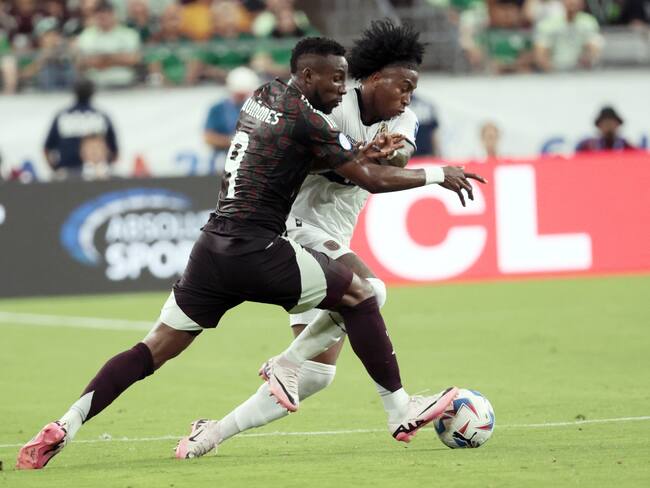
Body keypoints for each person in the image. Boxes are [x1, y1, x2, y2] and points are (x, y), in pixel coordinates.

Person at [17, 37, 482, 469]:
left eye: (344, 78)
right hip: (269, 242)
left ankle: (71, 423)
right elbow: (369, 176)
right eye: (334, 79)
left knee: (158, 349)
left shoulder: (264, 97)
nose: (341, 89)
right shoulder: (314, 119)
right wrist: (438, 174)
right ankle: (397, 408)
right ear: (308, 76)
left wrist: (365, 151)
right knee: (367, 294)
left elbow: (335, 155)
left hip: (212, 246)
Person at [172, 21, 486, 459]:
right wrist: (367, 160)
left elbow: (396, 160)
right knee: (371, 291)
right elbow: (332, 167)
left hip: (334, 233)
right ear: (374, 77)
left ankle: (211, 433)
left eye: (414, 88)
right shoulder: (333, 107)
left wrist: (389, 154)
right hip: (292, 225)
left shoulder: (404, 119)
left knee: (318, 373)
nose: (408, 96)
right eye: (404, 84)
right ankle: (388, 403)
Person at [43, 78, 118, 179]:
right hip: (69, 173)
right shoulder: (101, 116)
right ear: (93, 92)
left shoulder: (62, 116)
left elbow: (47, 149)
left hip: (86, 174)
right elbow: (115, 150)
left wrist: (56, 169)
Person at [204, 66, 261, 178]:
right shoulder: (218, 109)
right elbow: (208, 137)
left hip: (251, 163)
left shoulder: (258, 108)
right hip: (224, 160)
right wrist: (235, 142)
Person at [77, 1, 141, 88]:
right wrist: (118, 58)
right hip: (94, 84)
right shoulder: (86, 36)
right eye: (100, 16)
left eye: (106, 15)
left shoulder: (129, 34)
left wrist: (102, 59)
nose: (103, 18)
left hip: (124, 83)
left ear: (114, 15)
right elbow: (83, 62)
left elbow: (134, 59)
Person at [533, 0, 603, 72]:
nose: (573, 2)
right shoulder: (547, 24)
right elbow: (540, 55)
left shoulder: (589, 22)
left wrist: (587, 58)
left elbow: (594, 49)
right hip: (553, 74)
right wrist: (555, 73)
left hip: (581, 74)